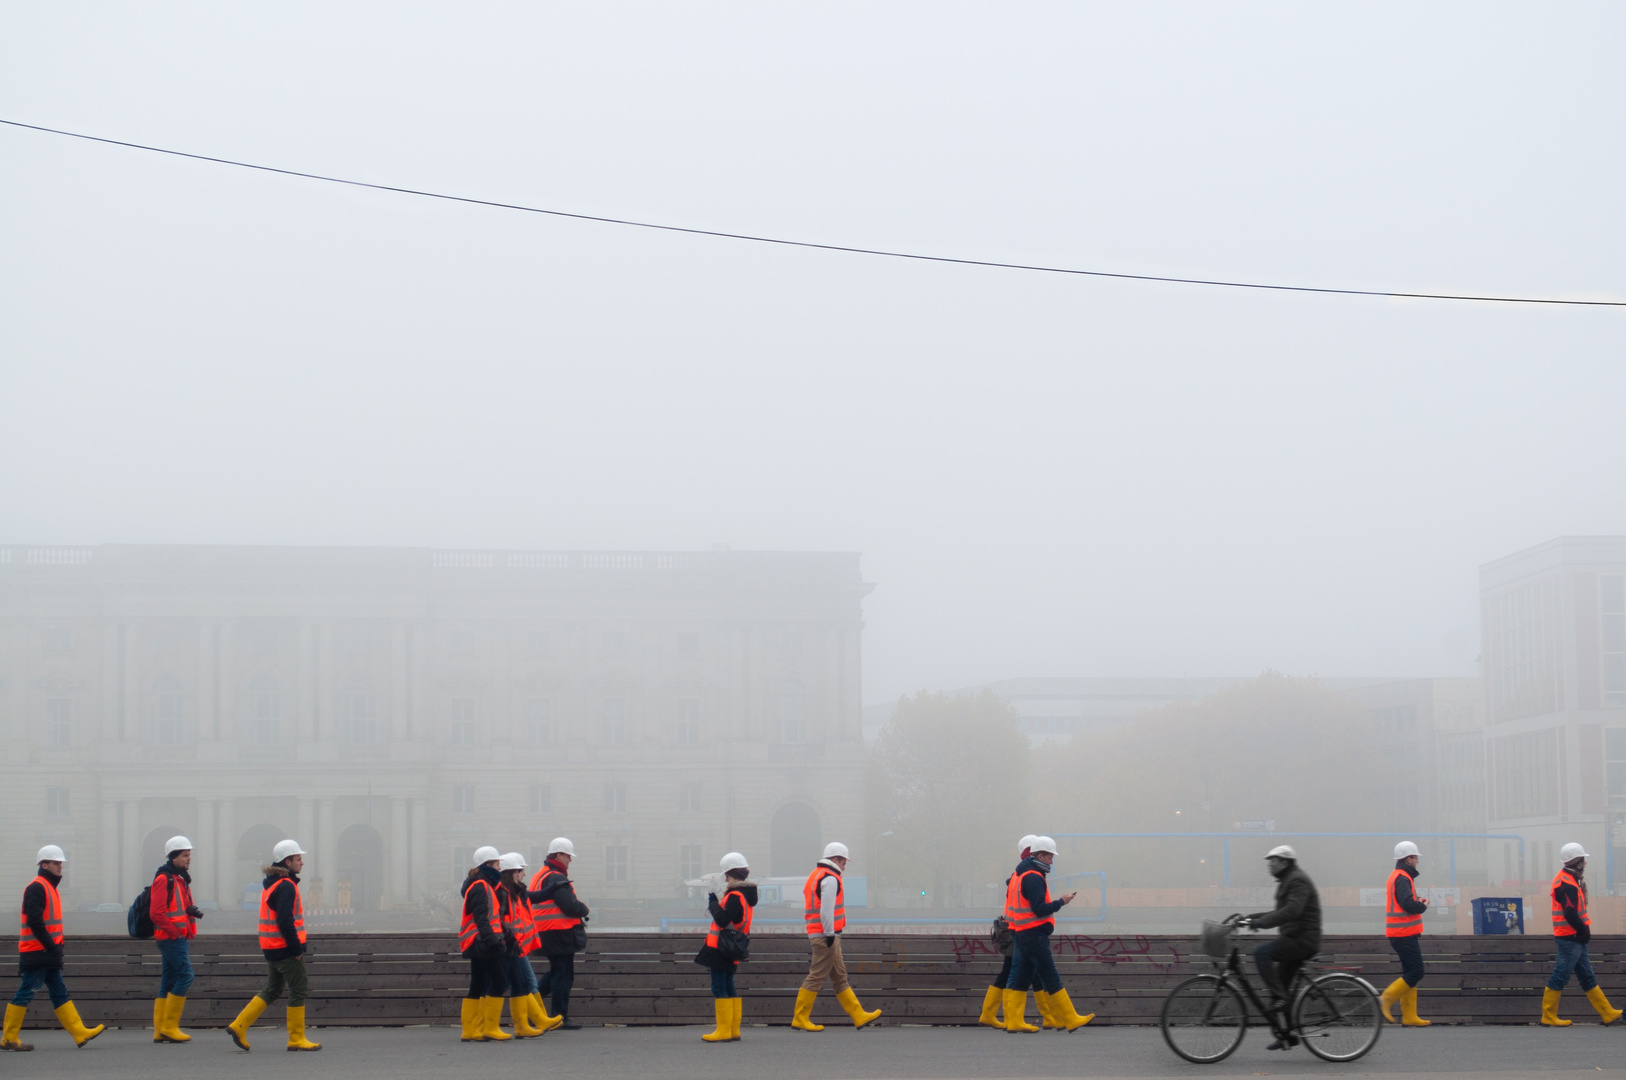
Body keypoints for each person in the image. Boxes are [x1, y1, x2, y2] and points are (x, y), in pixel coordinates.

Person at [2, 846, 103, 1052]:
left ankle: (79, 1032)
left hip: (46, 953)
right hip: (38, 952)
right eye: (56, 863)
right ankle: (8, 1038)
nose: (60, 867)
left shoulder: (48, 887)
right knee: (26, 992)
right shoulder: (37, 887)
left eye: (61, 863)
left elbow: (48, 923)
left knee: (59, 992)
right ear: (44, 864)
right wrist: (51, 946)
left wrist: (55, 947)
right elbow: (34, 921)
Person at [225, 839, 320, 1051]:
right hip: (284, 948)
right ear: (287, 861)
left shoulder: (271, 884)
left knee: (273, 989)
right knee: (299, 988)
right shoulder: (286, 885)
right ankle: (296, 1038)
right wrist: (296, 949)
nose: (302, 863)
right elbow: (285, 921)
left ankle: (239, 1025)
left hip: (271, 947)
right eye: (298, 859)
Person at [1001, 835, 1092, 1034]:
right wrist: (1061, 902)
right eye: (1050, 857)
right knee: (1050, 975)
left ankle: (1015, 1021)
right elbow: (1040, 908)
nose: (1052, 861)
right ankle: (1070, 1018)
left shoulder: (1021, 873)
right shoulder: (1033, 877)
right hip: (1034, 933)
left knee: (1023, 977)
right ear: (1039, 856)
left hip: (1023, 933)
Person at [791, 842, 883, 1032]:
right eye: (843, 861)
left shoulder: (815, 875)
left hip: (821, 933)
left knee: (840, 977)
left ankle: (859, 1015)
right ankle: (800, 1018)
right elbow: (826, 911)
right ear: (835, 859)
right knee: (816, 976)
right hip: (826, 935)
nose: (844, 866)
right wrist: (829, 933)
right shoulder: (831, 878)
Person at [1244, 845, 1322, 1051]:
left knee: (1262, 953)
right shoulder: (1288, 881)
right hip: (1294, 938)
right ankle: (1288, 1036)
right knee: (1280, 987)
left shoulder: (1297, 880)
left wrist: (1262, 923)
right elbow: (1280, 911)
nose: (1269, 864)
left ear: (1285, 863)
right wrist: (1251, 918)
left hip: (1303, 939)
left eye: (1273, 860)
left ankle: (1281, 999)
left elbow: (1292, 911)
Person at [1541, 843, 1622, 1027]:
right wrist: (1583, 930)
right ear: (1577, 862)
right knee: (1560, 976)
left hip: (1575, 938)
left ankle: (1607, 1013)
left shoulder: (1569, 880)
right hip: (1570, 938)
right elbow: (1569, 912)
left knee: (1587, 977)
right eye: (1583, 860)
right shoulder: (1566, 883)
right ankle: (1548, 1016)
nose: (1585, 864)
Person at [693, 851, 757, 1042]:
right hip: (733, 947)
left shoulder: (734, 896)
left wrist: (713, 902)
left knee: (719, 987)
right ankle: (733, 1030)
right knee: (729, 986)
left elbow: (722, 920)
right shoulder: (746, 896)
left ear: (728, 875)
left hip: (721, 948)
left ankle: (723, 1031)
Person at [498, 852, 561, 1037]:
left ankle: (536, 1020)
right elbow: (501, 919)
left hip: (515, 944)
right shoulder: (505, 893)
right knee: (517, 984)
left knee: (526, 983)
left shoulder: (515, 892)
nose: (524, 874)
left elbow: (535, 896)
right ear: (512, 873)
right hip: (510, 944)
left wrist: (552, 889)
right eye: (521, 870)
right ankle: (532, 1021)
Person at [529, 838, 590, 1029]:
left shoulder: (540, 874)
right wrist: (585, 909)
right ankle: (559, 1017)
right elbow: (570, 906)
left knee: (556, 972)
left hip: (546, 931)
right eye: (568, 856)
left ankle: (531, 1010)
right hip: (559, 932)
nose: (570, 860)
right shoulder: (556, 877)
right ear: (558, 855)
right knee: (563, 975)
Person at [978, 835, 1037, 1029]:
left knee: (1023, 971)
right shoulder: (1024, 875)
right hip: (1018, 929)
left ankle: (990, 1014)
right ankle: (1005, 1017)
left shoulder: (1018, 874)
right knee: (1013, 971)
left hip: (1014, 927)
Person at [150, 835, 203, 1044]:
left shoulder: (179, 879)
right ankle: (170, 1027)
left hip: (174, 937)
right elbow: (156, 913)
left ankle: (159, 1030)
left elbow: (175, 907)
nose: (189, 859)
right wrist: (175, 932)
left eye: (189, 855)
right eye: (185, 855)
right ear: (173, 857)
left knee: (168, 980)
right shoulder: (165, 879)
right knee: (186, 975)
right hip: (171, 938)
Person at [458, 846, 510, 1042]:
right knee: (499, 981)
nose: (499, 867)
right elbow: (482, 918)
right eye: (497, 864)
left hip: (476, 941)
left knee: (477, 984)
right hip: (482, 941)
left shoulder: (480, 884)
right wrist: (493, 942)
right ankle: (490, 1028)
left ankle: (470, 1031)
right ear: (488, 865)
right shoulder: (481, 886)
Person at [1377, 841, 1430, 1027]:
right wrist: (1421, 905)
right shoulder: (1402, 877)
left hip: (1400, 933)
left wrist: (1417, 901)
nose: (1417, 861)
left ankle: (1409, 1016)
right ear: (1409, 859)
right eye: (1416, 857)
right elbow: (1407, 904)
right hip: (1403, 933)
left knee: (1410, 972)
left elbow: (1404, 902)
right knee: (1417, 971)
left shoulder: (1399, 876)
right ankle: (1385, 999)